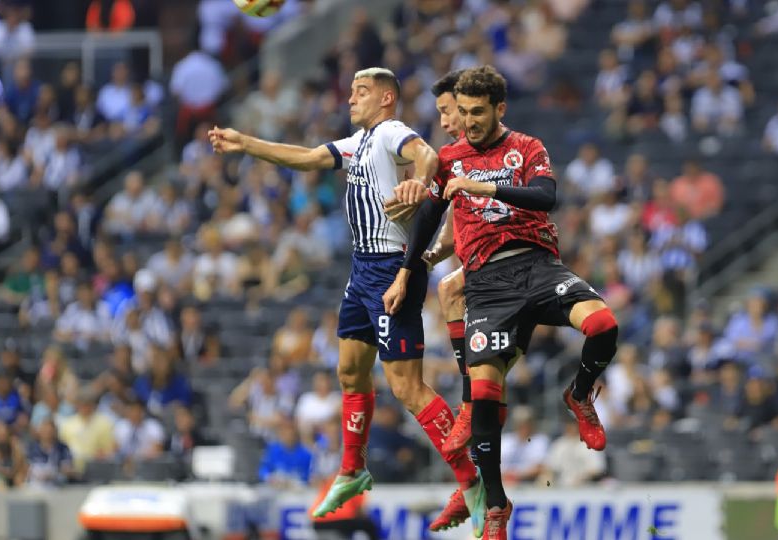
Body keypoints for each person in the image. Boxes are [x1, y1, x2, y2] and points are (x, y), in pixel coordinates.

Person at [209, 67, 479, 525]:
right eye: (350, 89)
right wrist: (246, 144)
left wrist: (419, 181)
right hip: (361, 271)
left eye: (361, 91)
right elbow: (309, 157)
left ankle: (472, 482)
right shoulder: (360, 142)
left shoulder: (392, 131)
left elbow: (427, 155)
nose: (350, 98)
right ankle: (352, 469)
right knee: (350, 372)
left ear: (387, 98)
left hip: (394, 268)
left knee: (406, 388)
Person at [385, 65, 618, 538]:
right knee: (486, 395)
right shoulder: (450, 158)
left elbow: (546, 197)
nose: (467, 121)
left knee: (604, 324)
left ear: (499, 109)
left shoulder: (527, 147)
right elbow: (429, 219)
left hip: (537, 265)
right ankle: (495, 505)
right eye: (462, 111)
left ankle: (578, 395)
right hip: (488, 284)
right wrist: (408, 272)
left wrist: (481, 186)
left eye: (476, 112)